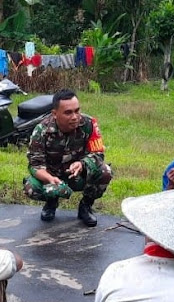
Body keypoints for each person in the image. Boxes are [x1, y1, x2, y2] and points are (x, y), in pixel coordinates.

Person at [24, 89, 113, 227]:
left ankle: (86, 207)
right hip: (53, 177)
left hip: (77, 175)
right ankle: (51, 202)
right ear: (55, 114)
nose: (75, 117)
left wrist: (82, 164)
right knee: (31, 187)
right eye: (68, 113)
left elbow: (98, 154)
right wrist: (50, 179)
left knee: (105, 171)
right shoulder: (41, 130)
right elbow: (35, 165)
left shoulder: (88, 124)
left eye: (77, 111)